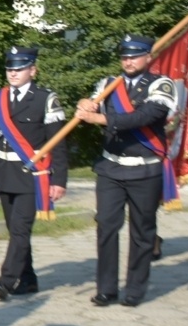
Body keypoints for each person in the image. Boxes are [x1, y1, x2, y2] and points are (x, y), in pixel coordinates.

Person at [75, 34, 176, 308]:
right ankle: (106, 288)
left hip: (145, 169)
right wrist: (85, 103)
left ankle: (135, 289)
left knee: (142, 231)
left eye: (134, 56)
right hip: (111, 167)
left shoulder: (161, 84)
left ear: (148, 57)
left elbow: (145, 117)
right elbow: (91, 105)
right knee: (106, 227)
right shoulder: (109, 84)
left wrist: (101, 118)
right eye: (124, 56)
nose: (128, 61)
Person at [0, 45, 69, 299]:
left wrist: (59, 180)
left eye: (19, 68)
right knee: (15, 231)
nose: (13, 73)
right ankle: (29, 280)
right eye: (10, 68)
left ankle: (6, 281)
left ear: (32, 70)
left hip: (32, 175)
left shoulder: (46, 99)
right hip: (4, 172)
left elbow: (59, 143)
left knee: (21, 229)